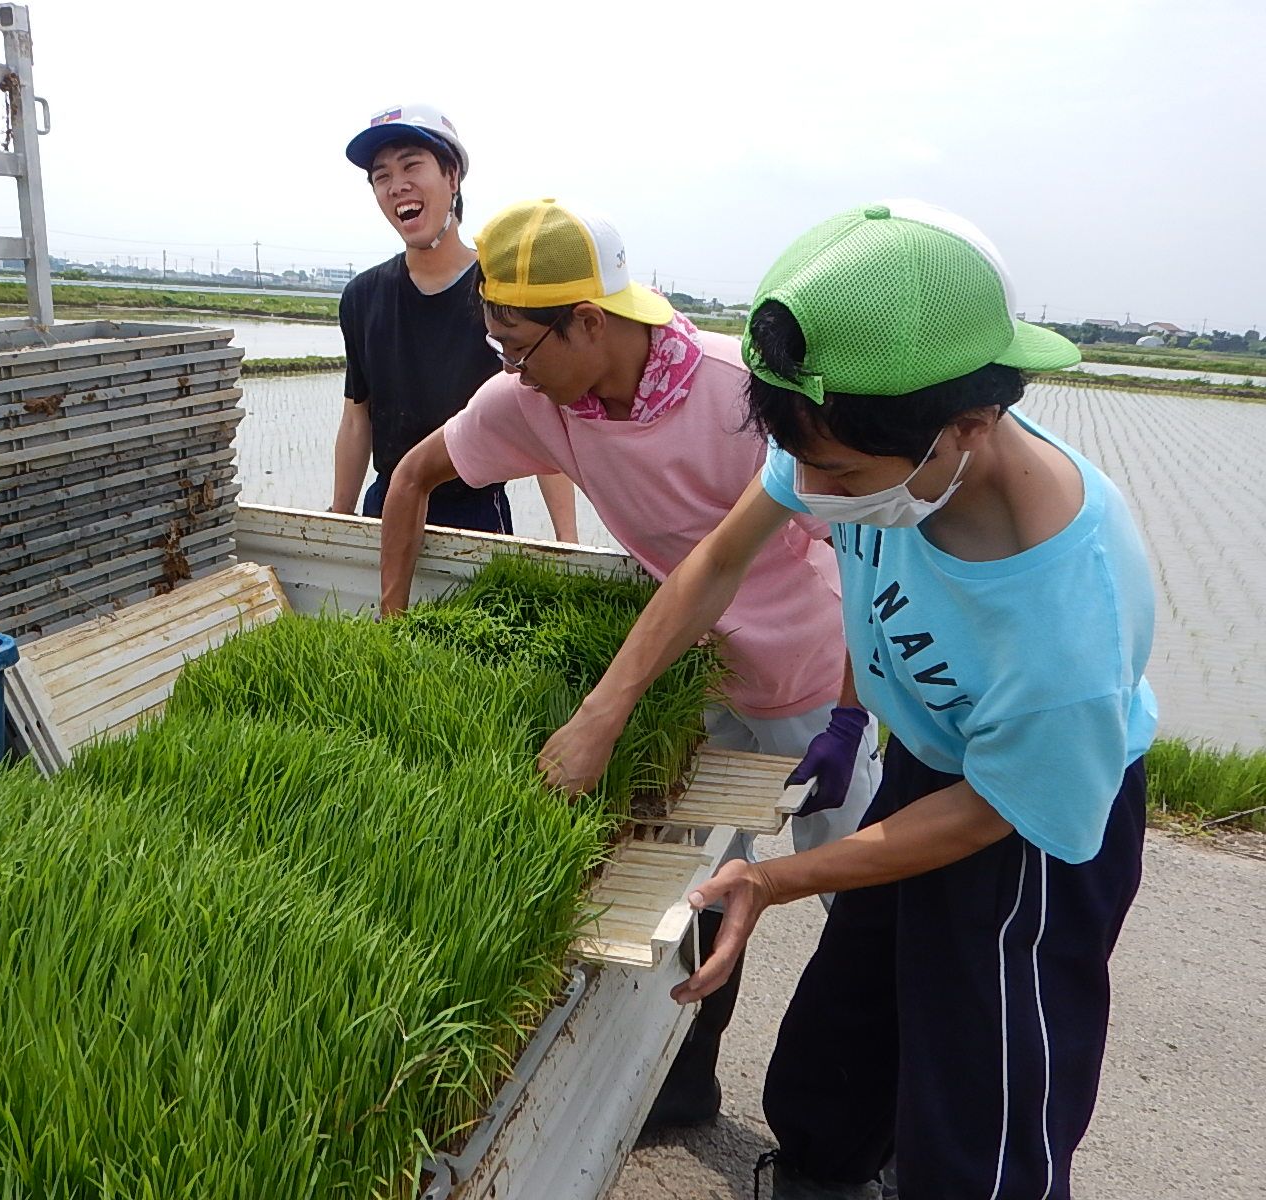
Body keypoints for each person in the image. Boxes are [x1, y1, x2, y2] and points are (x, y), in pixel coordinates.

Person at [538, 200, 1157, 1199]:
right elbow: (717, 564)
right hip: (923, 764)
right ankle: (822, 1175)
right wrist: (610, 706)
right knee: (838, 1045)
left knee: (979, 1112)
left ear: (967, 425)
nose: (811, 493)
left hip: (1028, 822)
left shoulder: (1067, 602)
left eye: (836, 473)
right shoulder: (851, 425)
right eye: (803, 461)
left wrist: (776, 879)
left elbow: (993, 810)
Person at [378, 197, 881, 1128]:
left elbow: (864, 547)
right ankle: (683, 1081)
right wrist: (390, 634)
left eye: (521, 347)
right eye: (497, 349)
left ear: (590, 321)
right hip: (681, 682)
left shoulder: (741, 397)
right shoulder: (534, 401)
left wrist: (852, 714)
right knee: (684, 898)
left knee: (863, 902)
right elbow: (411, 478)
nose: (511, 372)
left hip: (805, 684)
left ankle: (861, 1127)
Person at [335, 105, 576, 539]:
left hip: (476, 514)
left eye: (411, 165)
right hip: (386, 506)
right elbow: (358, 415)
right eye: (381, 175)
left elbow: (543, 416)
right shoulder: (362, 297)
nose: (396, 185)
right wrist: (336, 523)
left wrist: (569, 544)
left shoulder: (502, 293)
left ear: (452, 177)